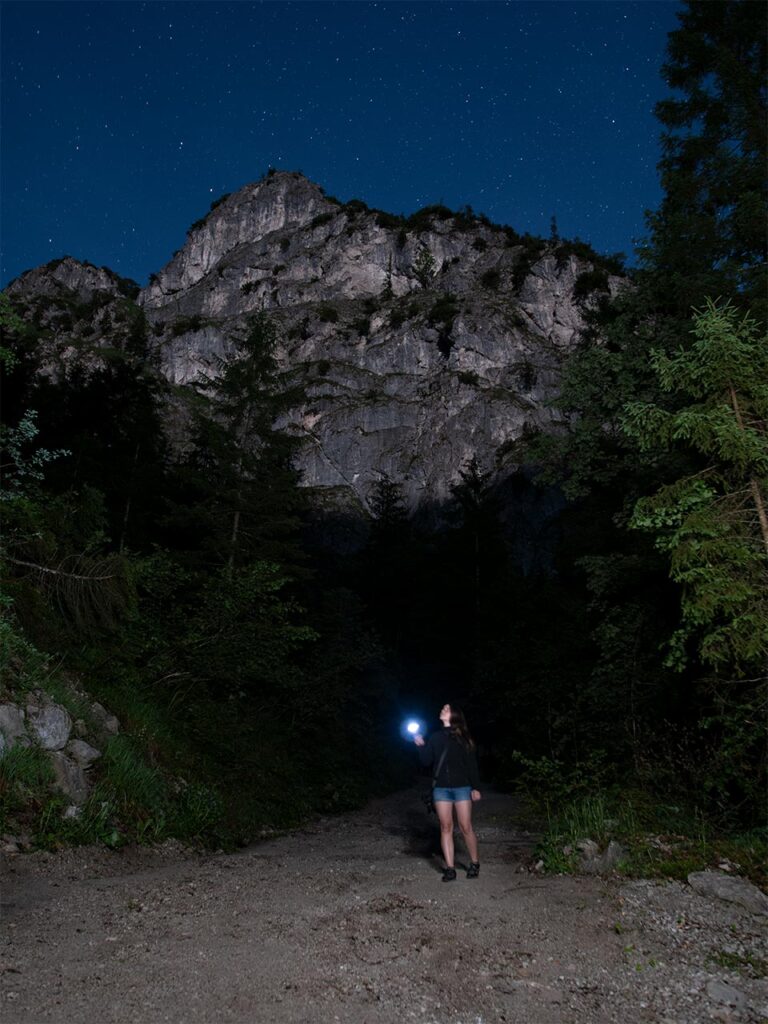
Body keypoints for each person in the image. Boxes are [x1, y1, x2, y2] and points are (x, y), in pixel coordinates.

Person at [414, 703, 481, 881]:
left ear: (454, 715)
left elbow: (471, 764)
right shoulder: (435, 737)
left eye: (447, 708)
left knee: (466, 827)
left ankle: (474, 863)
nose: (442, 709)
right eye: (442, 708)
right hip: (441, 789)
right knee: (445, 827)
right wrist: (420, 745)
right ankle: (450, 868)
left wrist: (476, 787)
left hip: (462, 788)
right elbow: (426, 762)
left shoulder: (463, 738)